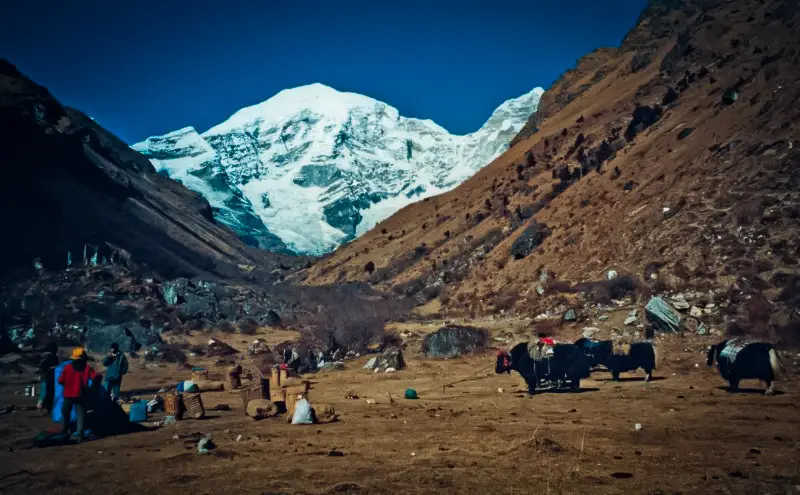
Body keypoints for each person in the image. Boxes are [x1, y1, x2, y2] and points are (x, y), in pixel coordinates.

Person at [58, 347, 96, 442]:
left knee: (65, 413)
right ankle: (79, 435)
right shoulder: (87, 368)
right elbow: (95, 377)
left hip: (68, 395)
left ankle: (64, 432)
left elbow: (60, 380)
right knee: (81, 415)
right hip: (81, 394)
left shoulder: (67, 367)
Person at [36, 342, 59, 412]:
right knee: (47, 390)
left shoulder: (49, 356)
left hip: (47, 376)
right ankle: (42, 405)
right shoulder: (52, 357)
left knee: (46, 390)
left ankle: (43, 405)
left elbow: (42, 366)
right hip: (49, 376)